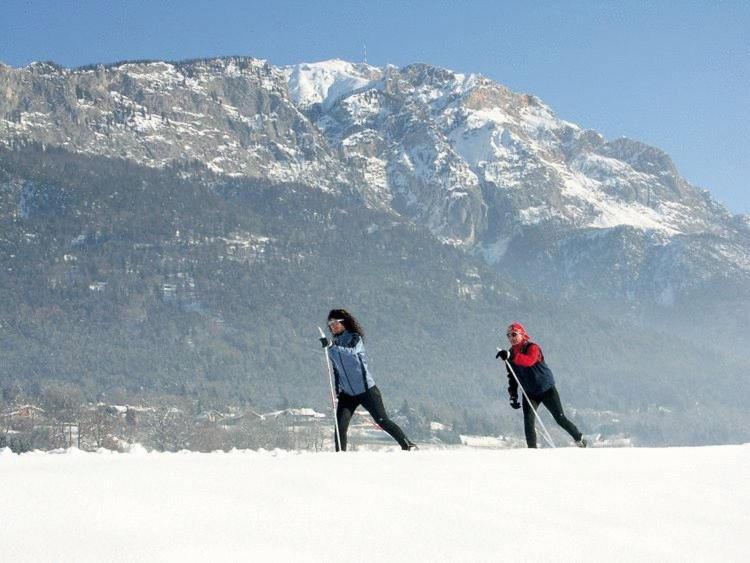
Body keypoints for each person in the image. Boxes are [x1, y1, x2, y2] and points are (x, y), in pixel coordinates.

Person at [319, 309, 417, 451]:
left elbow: (351, 351)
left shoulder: (354, 338)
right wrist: (338, 390)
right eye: (330, 324)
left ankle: (408, 445)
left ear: (344, 323)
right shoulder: (332, 346)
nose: (332, 326)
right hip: (347, 394)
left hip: (366, 390)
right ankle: (340, 457)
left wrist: (332, 345)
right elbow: (336, 370)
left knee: (382, 421)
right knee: (340, 427)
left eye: (335, 323)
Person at [496, 322, 587, 448]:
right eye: (508, 335)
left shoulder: (532, 348)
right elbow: (512, 377)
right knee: (528, 422)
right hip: (530, 392)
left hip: (546, 389)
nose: (511, 338)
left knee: (559, 418)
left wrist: (511, 355)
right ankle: (532, 451)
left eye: (514, 334)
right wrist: (513, 396)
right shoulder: (509, 355)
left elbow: (529, 361)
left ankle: (579, 438)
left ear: (522, 335)